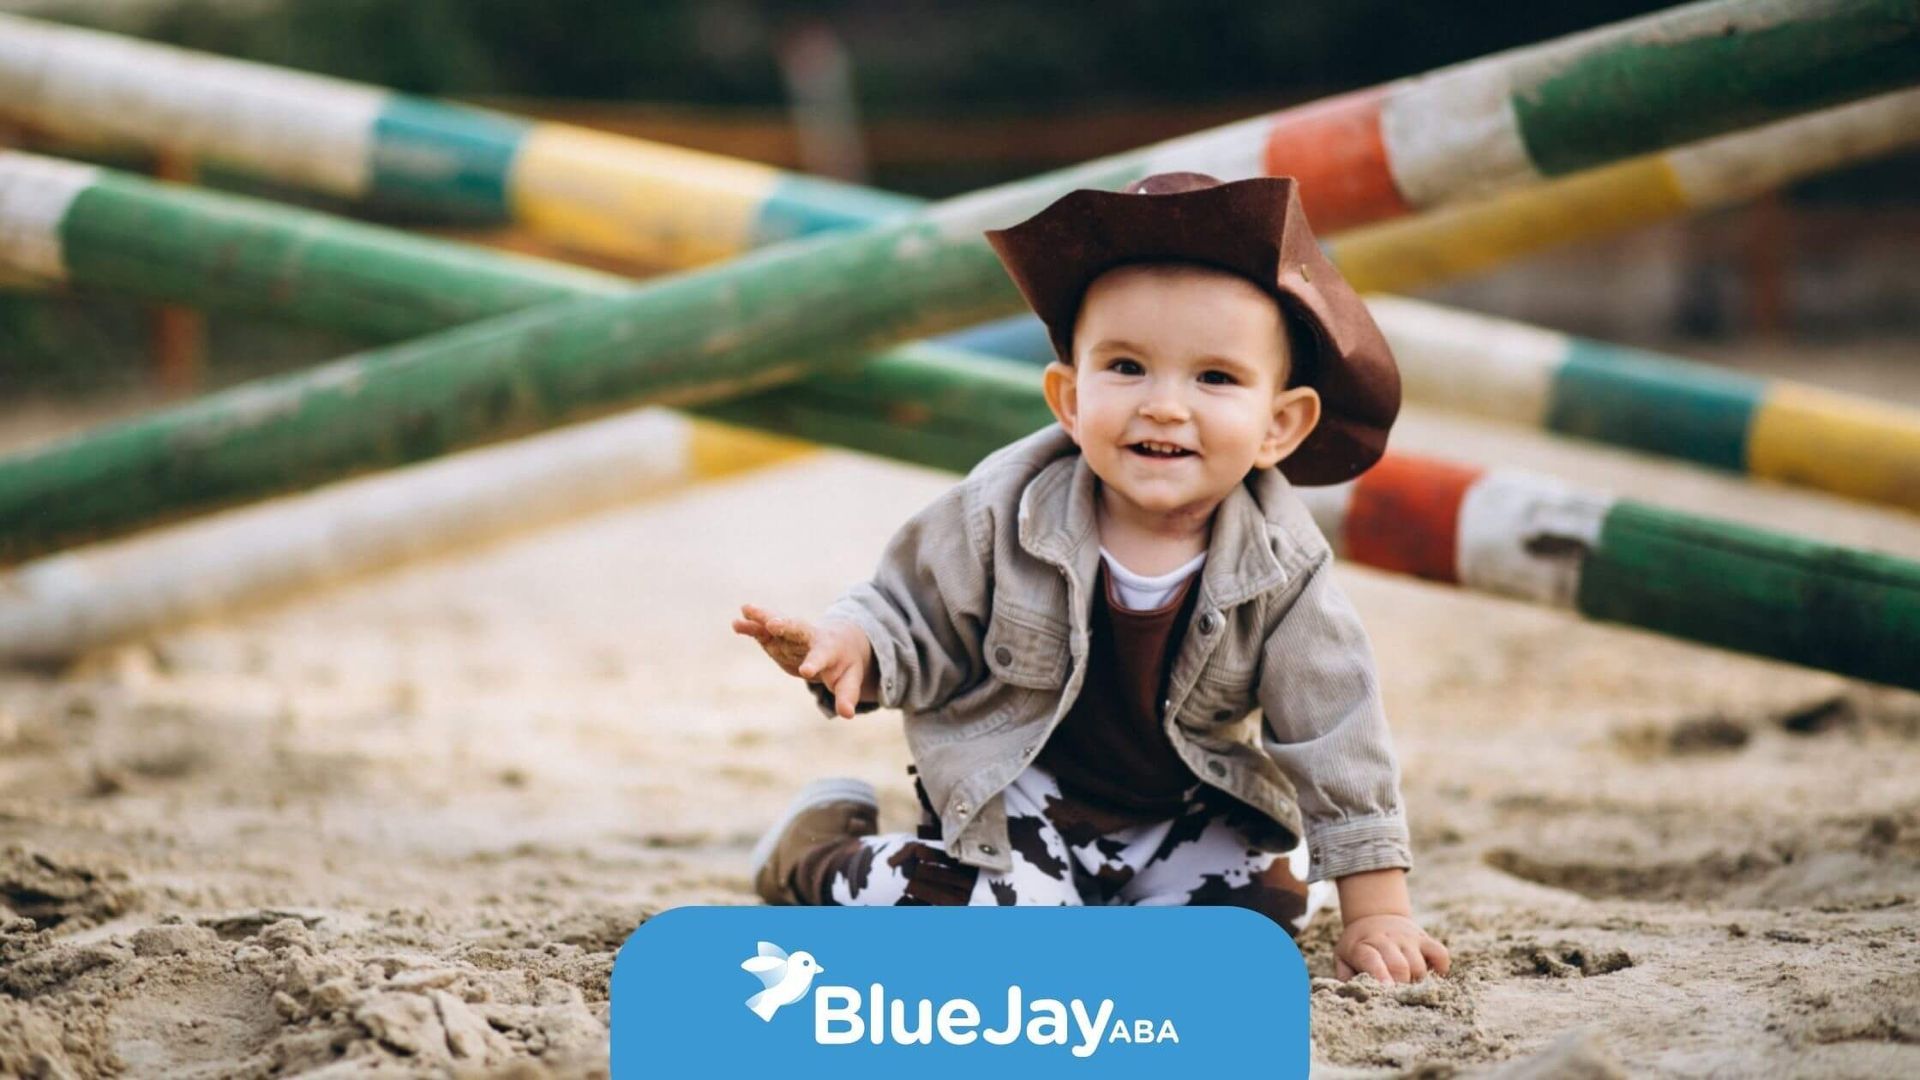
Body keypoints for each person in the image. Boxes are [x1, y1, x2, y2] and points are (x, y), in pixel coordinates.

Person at [733, 172, 1449, 984]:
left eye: (1215, 378)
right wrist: (849, 643)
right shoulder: (1002, 511)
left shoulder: (1285, 569)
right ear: (1070, 399)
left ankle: (1096, 913)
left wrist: (1378, 910)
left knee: (1266, 908)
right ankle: (817, 856)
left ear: (1278, 426)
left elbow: (1336, 732)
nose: (1165, 406)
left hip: (1179, 815)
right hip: (1020, 802)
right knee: (955, 910)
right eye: (1127, 367)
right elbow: (911, 608)